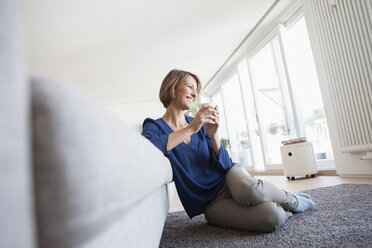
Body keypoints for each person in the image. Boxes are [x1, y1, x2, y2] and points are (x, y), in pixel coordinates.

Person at [141, 69, 315, 232]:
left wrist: (214, 135)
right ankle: (278, 205)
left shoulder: (198, 124)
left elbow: (225, 164)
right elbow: (148, 148)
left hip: (229, 177)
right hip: (211, 203)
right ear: (172, 87)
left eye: (197, 90)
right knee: (273, 217)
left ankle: (292, 200)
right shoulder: (155, 125)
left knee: (251, 190)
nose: (195, 94)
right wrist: (191, 129)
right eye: (190, 87)